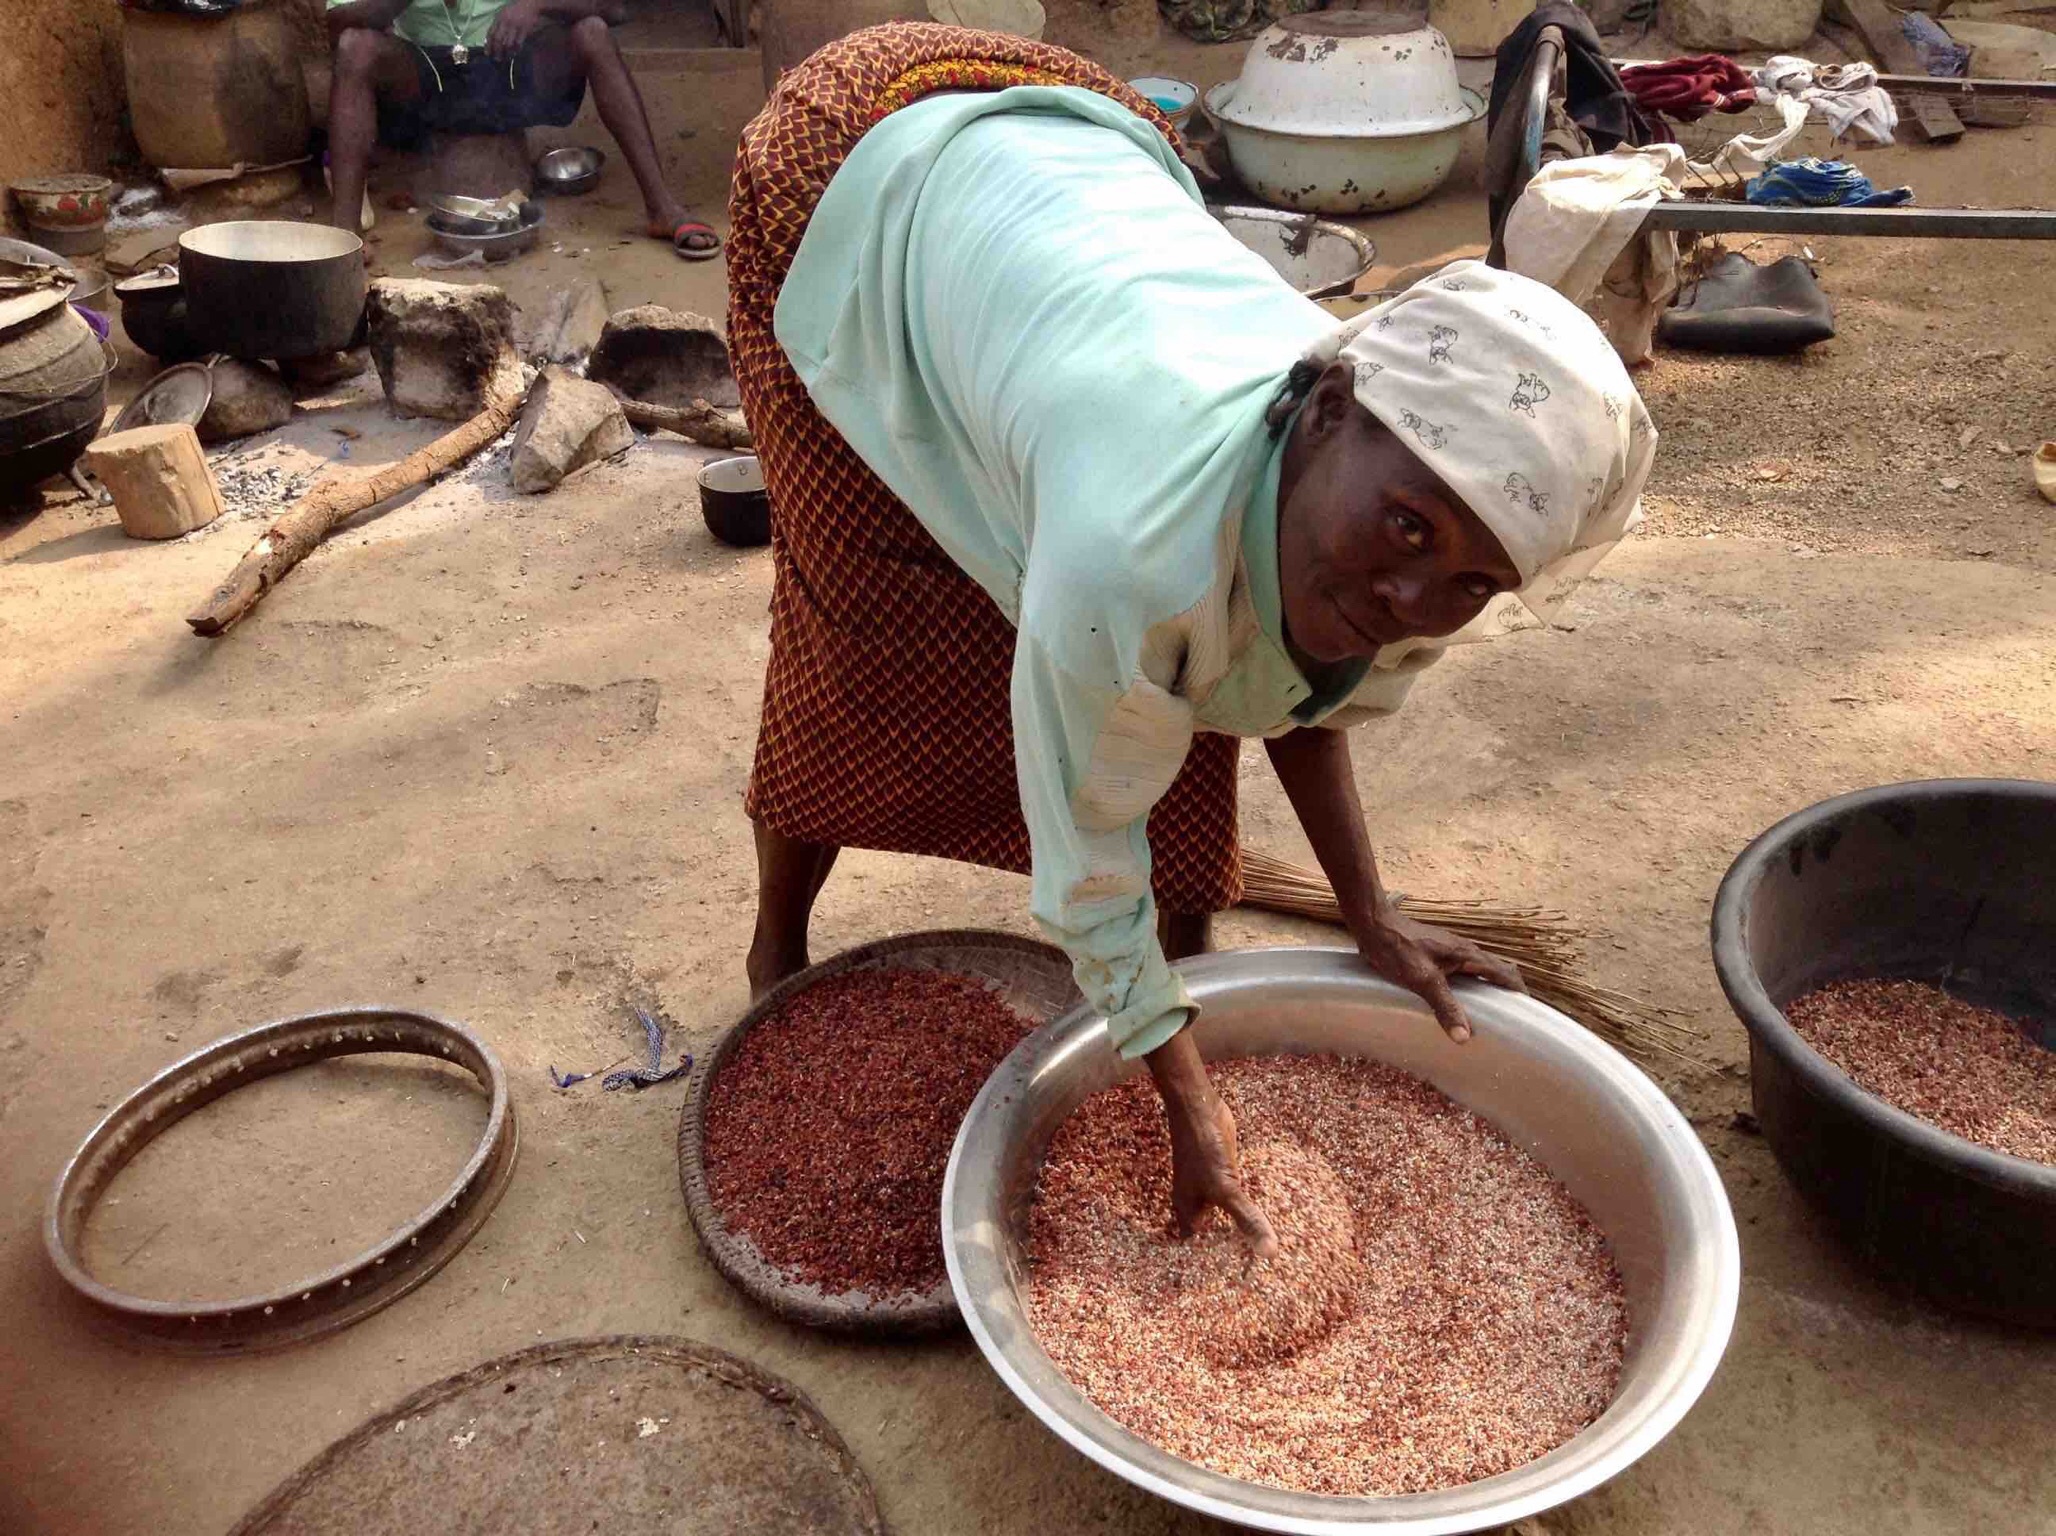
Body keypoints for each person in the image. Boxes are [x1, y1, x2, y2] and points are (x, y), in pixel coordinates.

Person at [730, 24, 1657, 1253]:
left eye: (1475, 583)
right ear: (1325, 407)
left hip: (1097, 183)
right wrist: (1188, 1102)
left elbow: (1297, 689)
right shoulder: (1133, 550)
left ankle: (1181, 968)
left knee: (1162, 689)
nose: (1414, 600)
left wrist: (1368, 914)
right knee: (872, 630)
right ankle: (775, 954)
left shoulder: (1410, 524)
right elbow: (1087, 835)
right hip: (863, 173)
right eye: (1405, 529)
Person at [323, 0, 720, 259]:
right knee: (355, 47)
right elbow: (338, 21)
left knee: (592, 32)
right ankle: (345, 235)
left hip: (511, 70)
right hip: (423, 77)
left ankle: (662, 208)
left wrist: (536, 5)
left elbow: (615, 9)